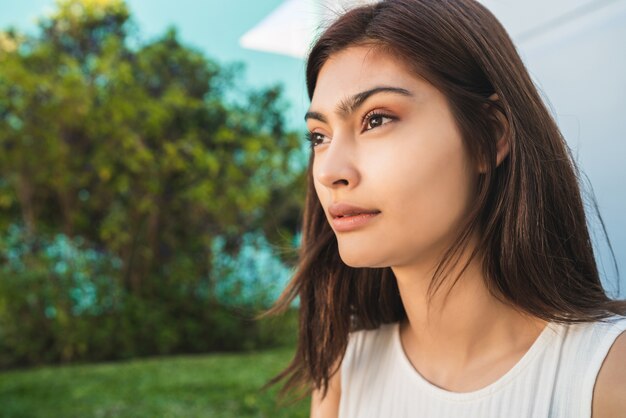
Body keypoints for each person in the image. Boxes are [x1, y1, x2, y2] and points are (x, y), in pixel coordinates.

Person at [267, 0, 626, 416]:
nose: (330, 171)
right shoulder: (345, 369)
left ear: (489, 136)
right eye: (319, 136)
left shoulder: (606, 376)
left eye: (376, 119)